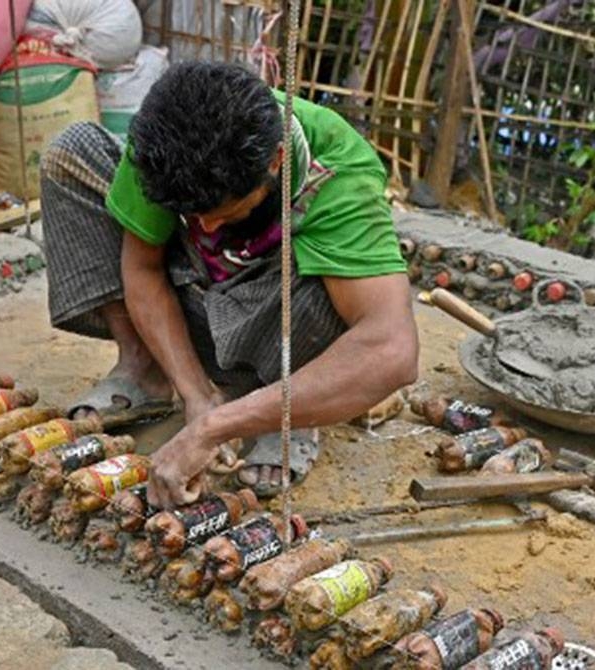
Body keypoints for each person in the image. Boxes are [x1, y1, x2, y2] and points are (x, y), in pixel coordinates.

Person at [40, 61, 418, 509]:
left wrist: (215, 427)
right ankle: (148, 368)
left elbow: (392, 350)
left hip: (277, 313)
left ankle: (290, 409)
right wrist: (197, 397)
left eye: (224, 211)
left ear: (276, 161)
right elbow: (142, 269)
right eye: (193, 213)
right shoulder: (160, 143)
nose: (206, 226)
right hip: (197, 291)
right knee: (73, 151)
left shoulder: (335, 168)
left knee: (343, 288)